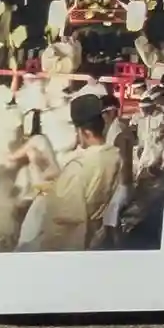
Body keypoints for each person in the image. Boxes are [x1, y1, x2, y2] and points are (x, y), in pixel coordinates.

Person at [27, 92, 120, 252]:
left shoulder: (78, 166)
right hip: (96, 235)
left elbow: (64, 218)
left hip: (75, 242)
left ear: (85, 132)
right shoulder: (114, 155)